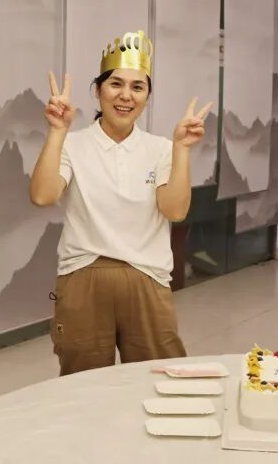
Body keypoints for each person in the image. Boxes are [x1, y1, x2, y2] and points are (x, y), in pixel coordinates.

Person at [29, 30, 211, 375]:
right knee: (83, 383)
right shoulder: (73, 144)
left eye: (137, 87)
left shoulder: (161, 149)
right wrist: (57, 132)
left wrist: (182, 150)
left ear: (147, 97)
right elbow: (42, 195)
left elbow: (175, 210)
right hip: (83, 274)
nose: (125, 95)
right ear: (98, 91)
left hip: (147, 277)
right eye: (115, 84)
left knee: (158, 379)